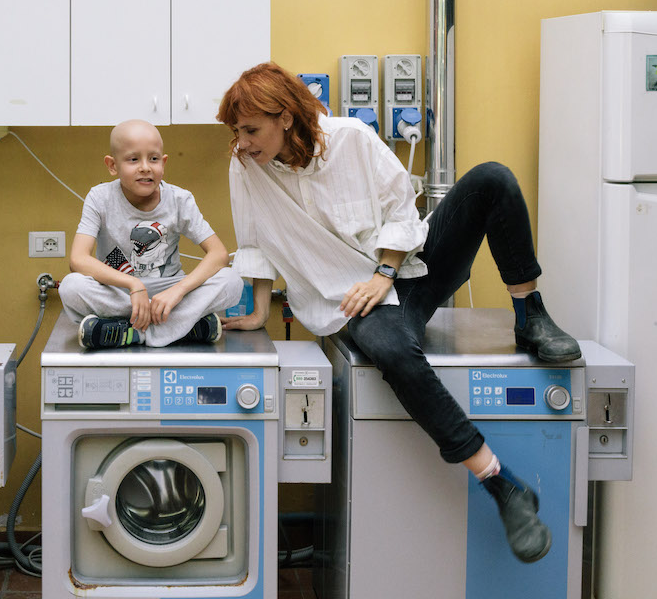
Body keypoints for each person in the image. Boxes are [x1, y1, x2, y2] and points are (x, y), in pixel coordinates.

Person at [216, 62, 581, 564]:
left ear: (286, 117)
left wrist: (383, 274)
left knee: (492, 179)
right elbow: (254, 239)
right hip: (350, 297)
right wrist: (259, 310)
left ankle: (531, 315)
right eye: (236, 132)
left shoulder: (352, 139)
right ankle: (501, 483)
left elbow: (401, 210)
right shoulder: (246, 167)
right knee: (391, 349)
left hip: (409, 268)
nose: (242, 143)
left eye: (251, 130)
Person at [59, 119, 243, 349]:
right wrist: (133, 284)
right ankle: (182, 328)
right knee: (71, 286)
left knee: (232, 280)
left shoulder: (179, 199)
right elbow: (78, 260)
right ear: (112, 165)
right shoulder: (99, 198)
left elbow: (219, 254)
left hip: (169, 293)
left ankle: (132, 332)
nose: (145, 167)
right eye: (133, 159)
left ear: (163, 163)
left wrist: (177, 291)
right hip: (122, 292)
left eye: (153, 159)